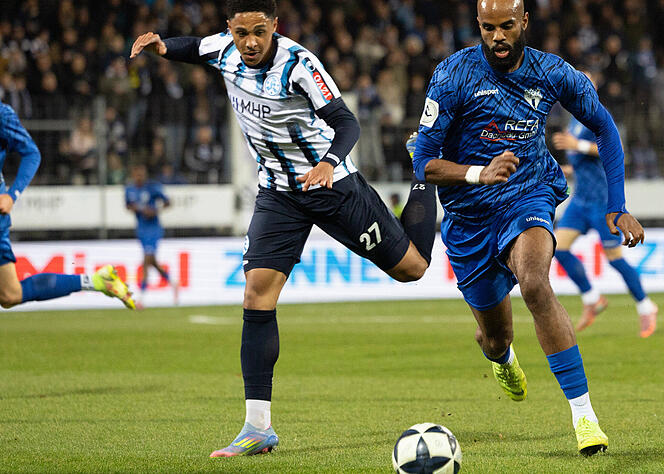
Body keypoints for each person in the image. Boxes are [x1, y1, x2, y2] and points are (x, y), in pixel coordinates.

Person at [130, 0, 437, 458]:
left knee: (412, 268)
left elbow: (346, 123)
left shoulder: (299, 65)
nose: (250, 42)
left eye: (259, 31)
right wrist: (162, 47)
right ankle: (257, 428)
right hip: (278, 195)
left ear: (274, 25)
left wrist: (329, 164)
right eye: (240, 32)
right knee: (256, 295)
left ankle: (423, 171)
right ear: (229, 29)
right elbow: (194, 47)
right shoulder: (223, 49)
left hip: (332, 185)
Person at [410, 0, 644, 456]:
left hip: (527, 195)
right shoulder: (452, 76)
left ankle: (584, 417)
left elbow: (605, 127)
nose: (498, 36)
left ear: (525, 23)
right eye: (488, 27)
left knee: (536, 282)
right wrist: (479, 172)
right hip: (468, 218)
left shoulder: (553, 73)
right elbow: (423, 163)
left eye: (507, 26)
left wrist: (617, 207)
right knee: (494, 336)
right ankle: (502, 357)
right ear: (477, 25)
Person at [0, 103, 134, 310]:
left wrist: (11, 195)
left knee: (10, 294)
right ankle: (97, 281)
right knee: (10, 295)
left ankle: (96, 282)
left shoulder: (2, 114)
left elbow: (31, 153)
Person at [552, 111, 658, 339]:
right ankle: (592, 299)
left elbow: (612, 151)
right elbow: (585, 166)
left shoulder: (598, 120)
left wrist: (577, 145)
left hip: (602, 203)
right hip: (580, 201)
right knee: (557, 247)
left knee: (615, 258)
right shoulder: (573, 122)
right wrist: (564, 171)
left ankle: (646, 307)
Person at [125, 164, 178, 307]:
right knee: (152, 261)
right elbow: (128, 205)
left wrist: (155, 210)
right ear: (133, 175)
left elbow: (167, 202)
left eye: (142, 174)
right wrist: (138, 208)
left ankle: (141, 298)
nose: (139, 177)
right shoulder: (129, 189)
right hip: (141, 229)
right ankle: (172, 282)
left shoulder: (152, 187)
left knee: (146, 260)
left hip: (154, 228)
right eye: (137, 174)